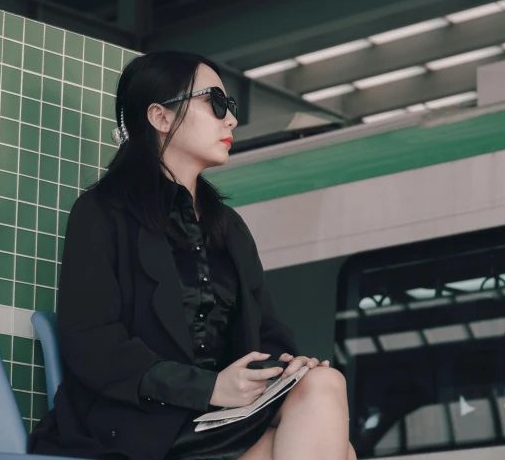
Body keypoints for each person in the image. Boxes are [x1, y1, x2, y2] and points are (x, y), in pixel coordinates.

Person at [28, 51, 356, 460]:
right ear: (160, 117)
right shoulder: (102, 212)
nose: (231, 119)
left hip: (219, 419)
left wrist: (286, 367)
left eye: (230, 107)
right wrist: (208, 387)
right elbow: (91, 342)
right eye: (215, 103)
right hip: (139, 426)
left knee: (321, 392)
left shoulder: (228, 227)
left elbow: (269, 333)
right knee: (337, 443)